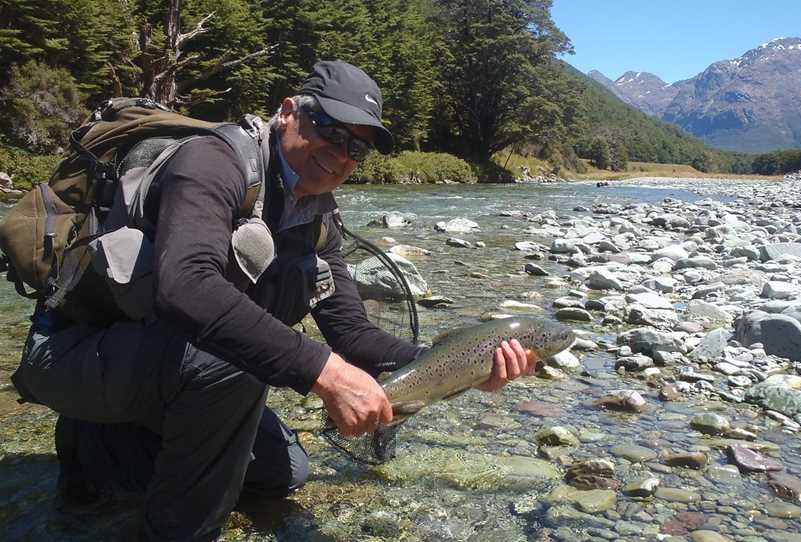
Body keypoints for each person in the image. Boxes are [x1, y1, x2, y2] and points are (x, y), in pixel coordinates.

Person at [11, 61, 537, 541]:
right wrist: (324, 373)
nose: (341, 154)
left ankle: (111, 447)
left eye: (358, 146)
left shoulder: (318, 218)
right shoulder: (212, 162)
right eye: (330, 131)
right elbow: (186, 285)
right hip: (72, 353)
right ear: (289, 112)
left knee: (282, 475)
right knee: (228, 363)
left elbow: (352, 335)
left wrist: (463, 367)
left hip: (158, 367)